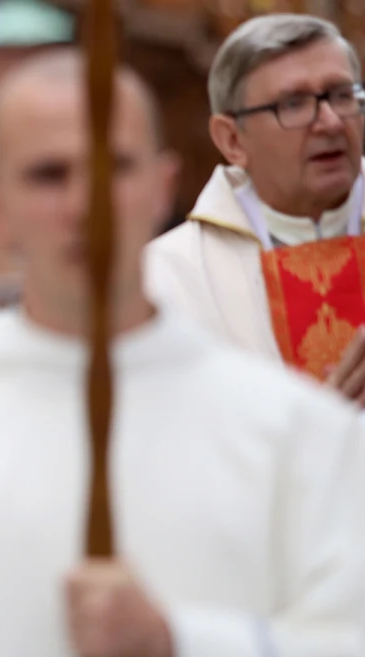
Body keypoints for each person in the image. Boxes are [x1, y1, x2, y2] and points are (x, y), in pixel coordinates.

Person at [0, 49, 365, 657]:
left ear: (165, 187)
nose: (87, 205)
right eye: (49, 175)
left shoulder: (298, 435)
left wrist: (183, 646)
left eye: (115, 167)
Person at [145, 14, 365, 403]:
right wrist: (317, 433)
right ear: (232, 140)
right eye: (294, 104)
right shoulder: (168, 278)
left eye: (342, 95)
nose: (329, 122)